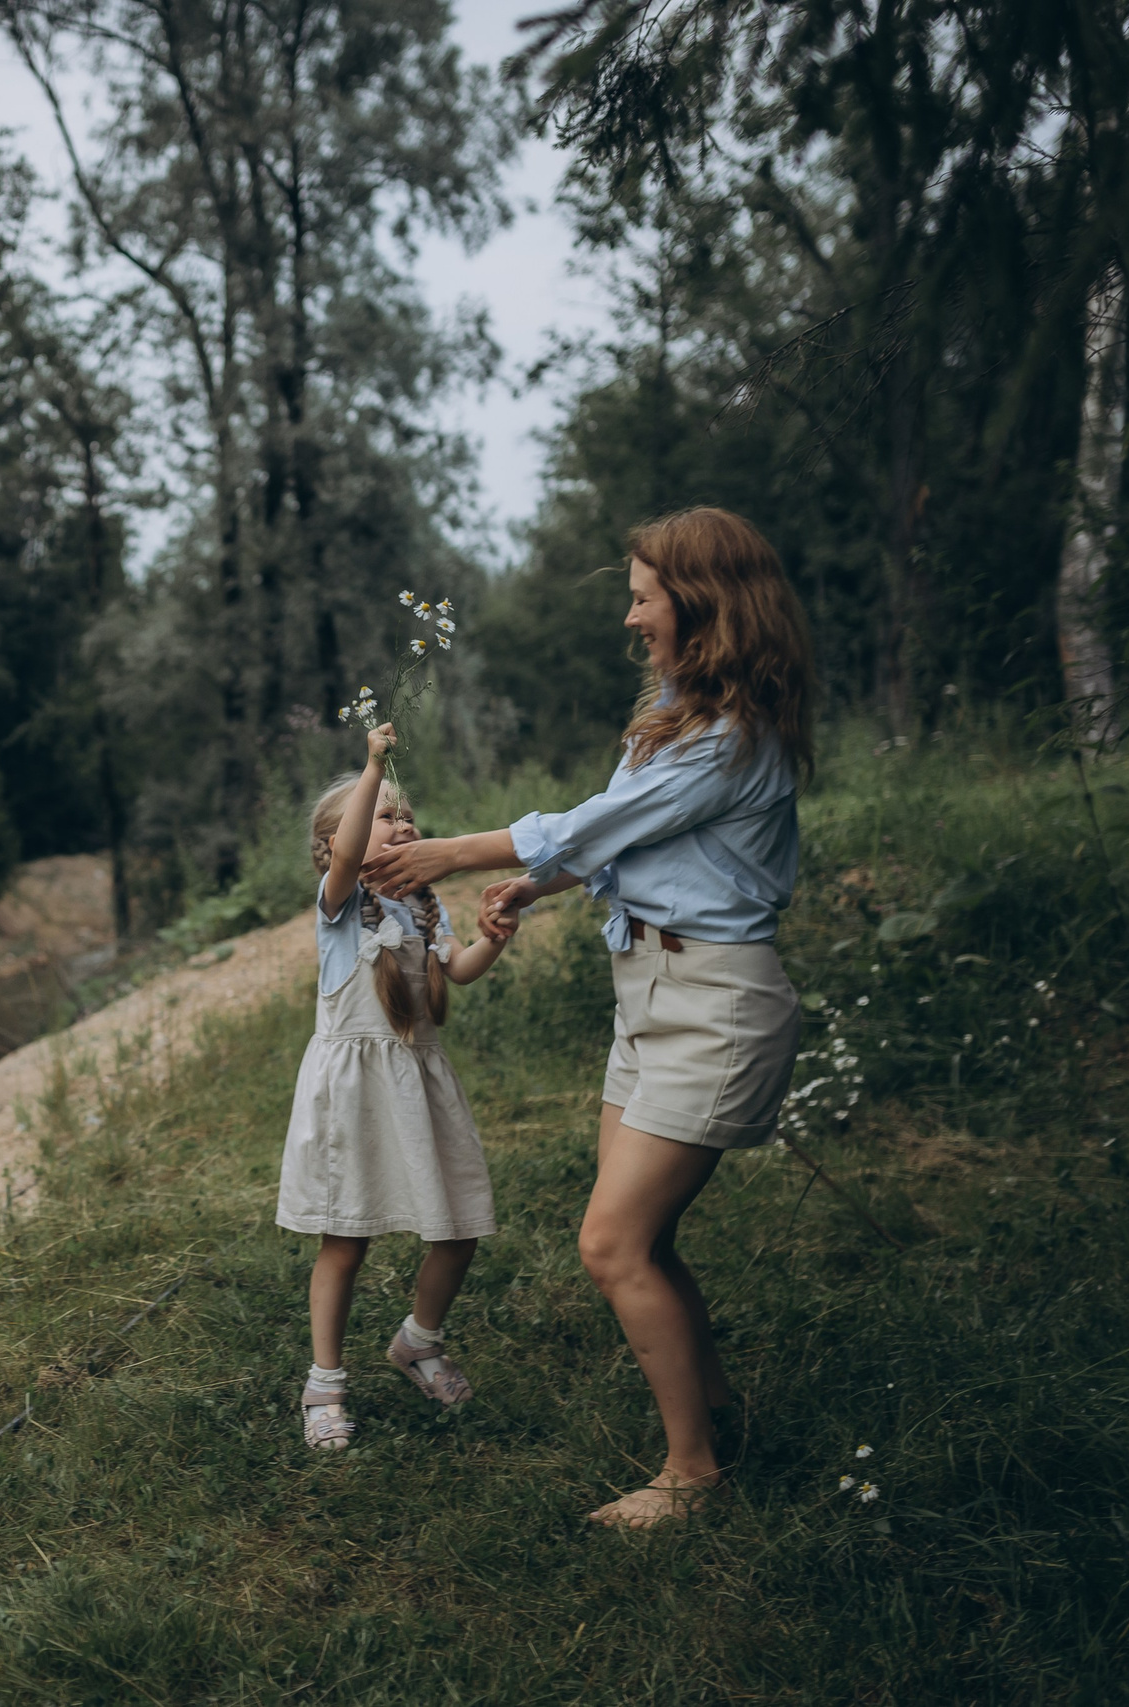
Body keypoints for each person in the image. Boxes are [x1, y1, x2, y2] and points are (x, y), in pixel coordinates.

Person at [363, 506, 816, 1525]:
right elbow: (627, 838)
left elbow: (594, 822)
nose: (629, 616)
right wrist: (541, 885)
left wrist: (450, 856)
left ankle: (691, 1476)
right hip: (648, 993)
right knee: (642, 1239)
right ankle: (717, 1411)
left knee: (613, 1243)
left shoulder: (730, 737)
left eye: (643, 595)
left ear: (698, 606)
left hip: (715, 1006)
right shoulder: (671, 710)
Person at [281, 721, 512, 1450]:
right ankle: (324, 1382)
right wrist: (372, 764)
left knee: (460, 1224)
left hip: (418, 1079)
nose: (402, 819)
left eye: (407, 812)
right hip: (353, 1093)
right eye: (386, 811)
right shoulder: (340, 901)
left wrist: (492, 939)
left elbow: (458, 970)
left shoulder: (424, 904)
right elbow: (353, 850)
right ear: (336, 843)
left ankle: (419, 1338)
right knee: (345, 1239)